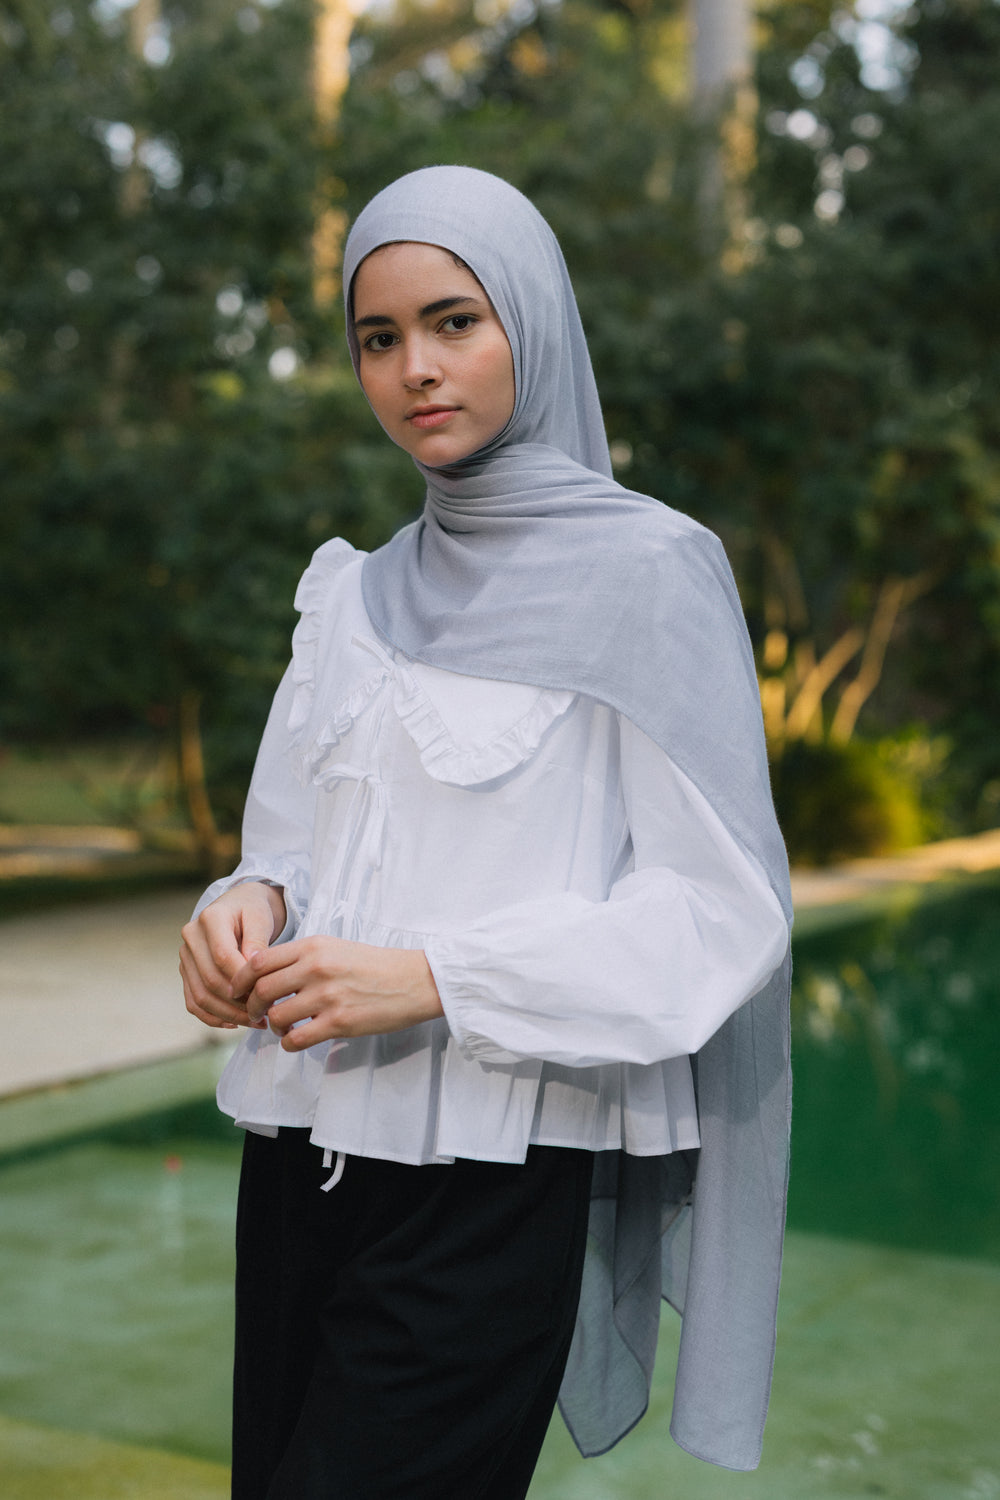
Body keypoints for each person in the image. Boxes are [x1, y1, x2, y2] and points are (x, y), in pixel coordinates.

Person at [180, 165, 792, 1500]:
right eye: (379, 337)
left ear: (534, 323)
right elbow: (281, 852)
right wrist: (239, 911)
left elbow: (721, 912)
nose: (415, 368)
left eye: (455, 321)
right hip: (296, 1159)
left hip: (492, 1179)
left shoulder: (649, 575)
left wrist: (439, 979)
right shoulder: (350, 597)